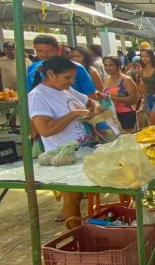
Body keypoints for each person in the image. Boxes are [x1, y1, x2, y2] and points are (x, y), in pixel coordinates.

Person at [28, 56, 101, 228]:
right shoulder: (38, 96)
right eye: (67, 77)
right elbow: (45, 129)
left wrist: (96, 107)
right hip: (65, 157)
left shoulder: (65, 90)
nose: (72, 81)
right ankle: (76, 237)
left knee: (78, 196)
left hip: (84, 151)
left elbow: (91, 101)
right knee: (72, 199)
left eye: (73, 77)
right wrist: (75, 114)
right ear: (51, 74)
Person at [26, 35, 99, 99]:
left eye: (49, 51)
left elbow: (91, 96)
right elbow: (29, 93)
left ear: (59, 50)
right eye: (39, 51)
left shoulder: (76, 68)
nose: (44, 55)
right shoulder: (33, 68)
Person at [102, 55, 139, 131]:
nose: (107, 68)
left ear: (119, 66)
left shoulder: (126, 80)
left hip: (126, 115)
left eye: (111, 65)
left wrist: (113, 98)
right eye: (105, 65)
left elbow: (134, 99)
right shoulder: (107, 79)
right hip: (111, 115)